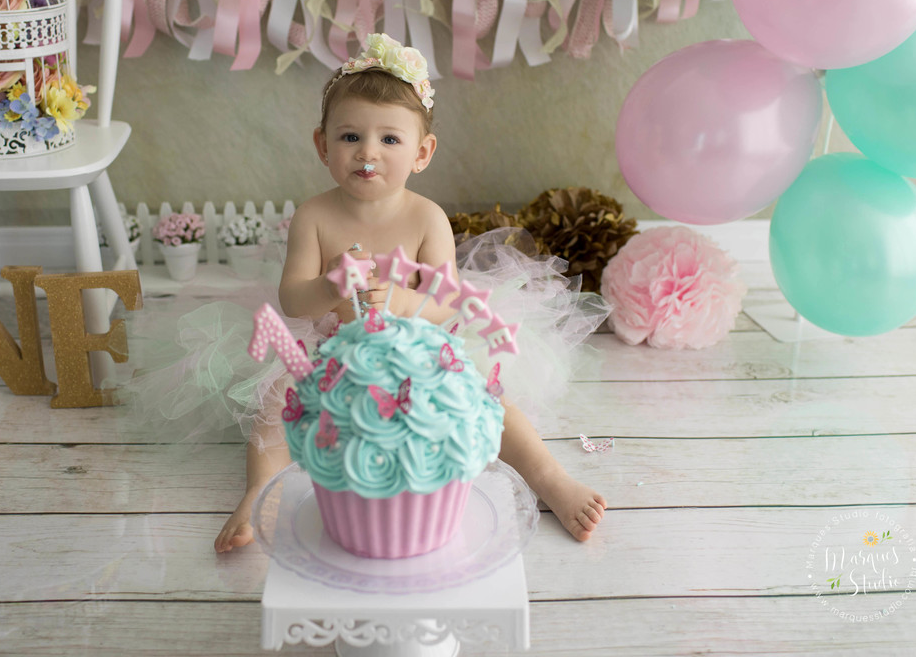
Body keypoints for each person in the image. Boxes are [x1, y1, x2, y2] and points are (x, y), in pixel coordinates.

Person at [118, 34, 608, 553]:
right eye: (350, 136)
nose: (367, 153)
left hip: (420, 347)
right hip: (331, 346)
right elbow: (292, 301)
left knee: (490, 400)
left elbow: (448, 298)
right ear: (322, 145)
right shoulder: (314, 216)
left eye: (389, 140)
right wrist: (331, 286)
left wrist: (398, 301)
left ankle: (549, 477)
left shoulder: (426, 217)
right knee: (274, 399)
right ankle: (260, 490)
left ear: (422, 152)